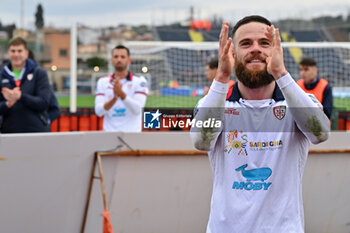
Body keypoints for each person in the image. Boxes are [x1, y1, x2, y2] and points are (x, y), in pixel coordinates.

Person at [190, 16, 330, 233]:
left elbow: (320, 133)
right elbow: (201, 141)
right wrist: (221, 77)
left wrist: (281, 74)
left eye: (264, 43)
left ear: (276, 50)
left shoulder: (297, 100)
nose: (255, 49)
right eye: (246, 43)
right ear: (233, 54)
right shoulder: (215, 101)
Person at [0, 37, 51, 133]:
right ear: (8, 53)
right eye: (13, 51)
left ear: (26, 53)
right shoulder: (2, 75)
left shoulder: (39, 73)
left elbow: (44, 103)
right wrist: (7, 104)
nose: (16, 54)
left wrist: (21, 96)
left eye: (19, 51)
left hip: (36, 132)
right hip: (9, 132)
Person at [95, 45, 148, 132]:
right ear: (111, 60)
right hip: (109, 136)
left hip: (132, 135)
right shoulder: (102, 82)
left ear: (129, 60)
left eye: (123, 57)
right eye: (116, 56)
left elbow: (137, 109)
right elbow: (99, 112)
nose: (119, 59)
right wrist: (114, 98)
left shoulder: (139, 81)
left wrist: (121, 94)